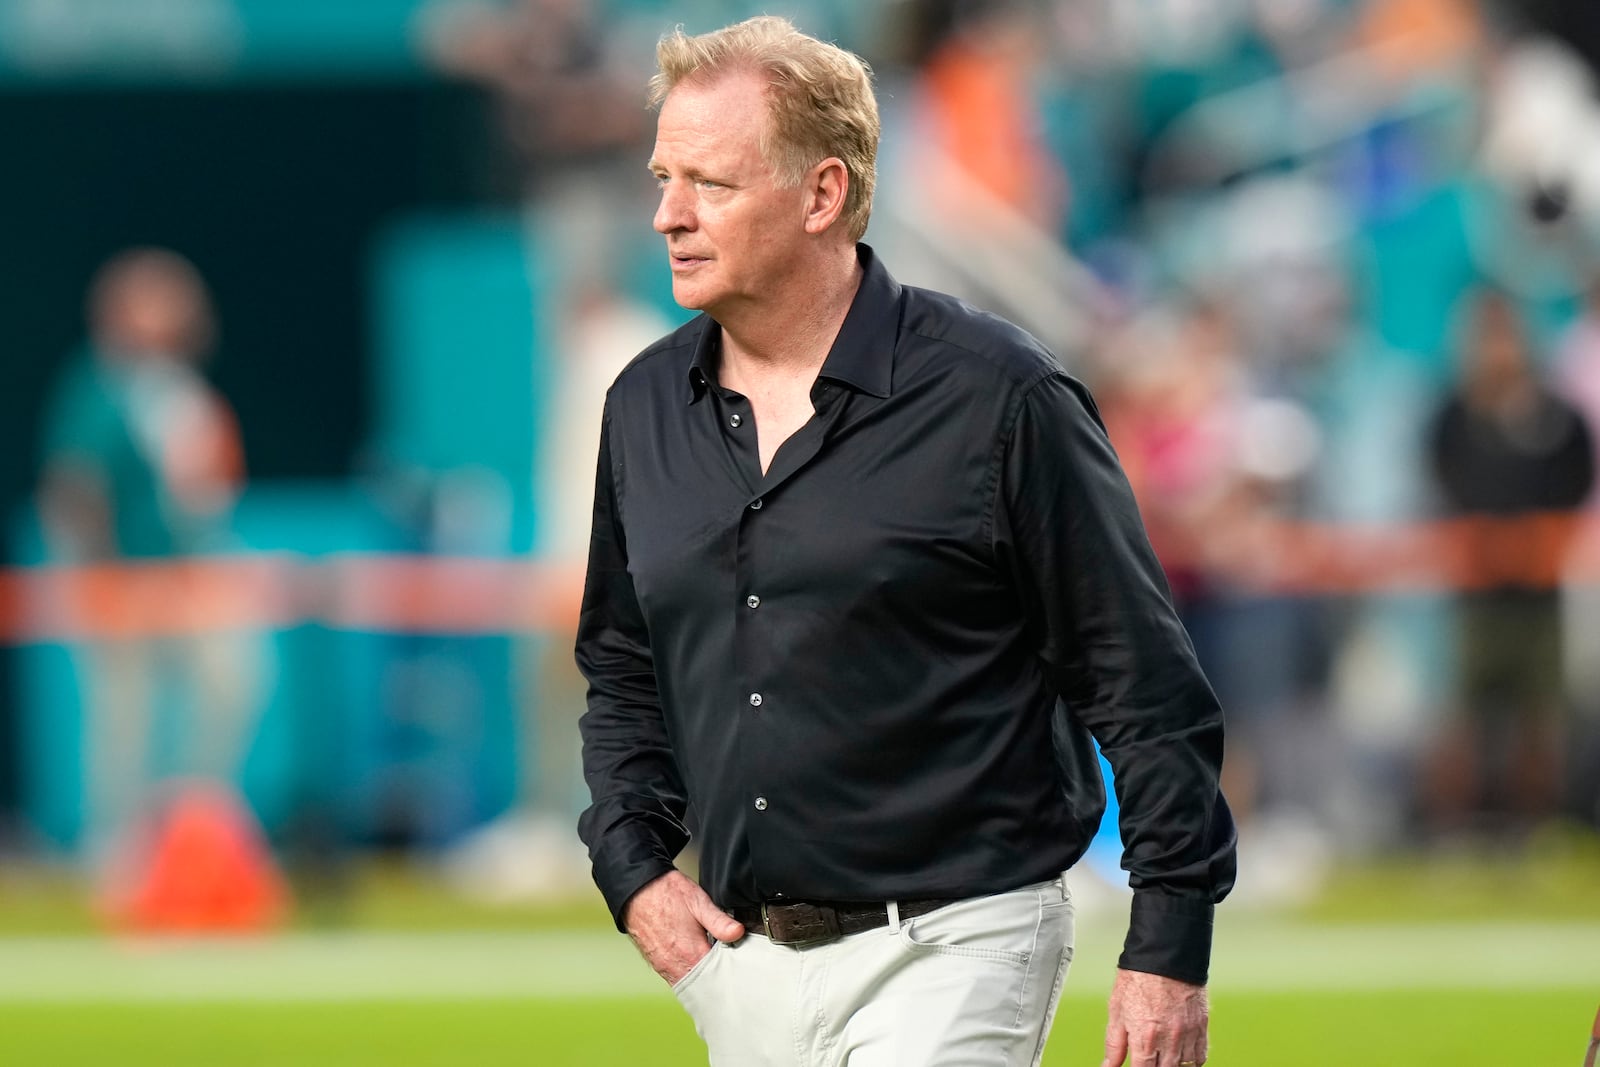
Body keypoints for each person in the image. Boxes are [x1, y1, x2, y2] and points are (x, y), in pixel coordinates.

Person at [576, 17, 1235, 1067]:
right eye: (663, 175)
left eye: (709, 181)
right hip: (738, 963)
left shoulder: (998, 395)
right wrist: (633, 869)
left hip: (957, 939)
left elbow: (1143, 682)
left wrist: (1168, 944)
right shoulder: (644, 404)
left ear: (822, 193)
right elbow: (620, 666)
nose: (666, 214)